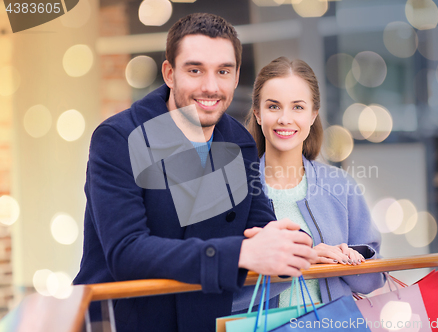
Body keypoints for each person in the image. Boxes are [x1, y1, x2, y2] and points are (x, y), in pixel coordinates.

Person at [73, 14, 317, 332]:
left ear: (236, 75)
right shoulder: (119, 137)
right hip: (123, 321)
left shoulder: (238, 141)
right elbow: (127, 251)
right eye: (195, 70)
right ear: (170, 74)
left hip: (203, 319)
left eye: (223, 72)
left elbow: (259, 226)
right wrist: (242, 253)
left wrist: (297, 244)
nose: (211, 86)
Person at [233, 57, 384, 311]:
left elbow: (374, 279)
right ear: (258, 114)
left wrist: (345, 260)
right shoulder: (233, 191)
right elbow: (219, 288)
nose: (285, 118)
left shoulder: (340, 186)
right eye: (273, 107)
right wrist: (304, 261)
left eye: (298, 107)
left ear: (313, 114)